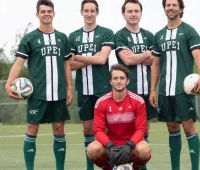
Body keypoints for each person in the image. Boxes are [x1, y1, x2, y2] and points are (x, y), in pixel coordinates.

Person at [5, 0, 73, 170]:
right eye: (43, 12)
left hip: (59, 93)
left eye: (49, 11)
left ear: (54, 14)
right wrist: (8, 84)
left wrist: (70, 88)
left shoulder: (62, 38)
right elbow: (19, 63)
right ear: (37, 14)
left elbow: (66, 64)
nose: (46, 14)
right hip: (37, 94)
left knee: (59, 129)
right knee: (32, 130)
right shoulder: (30, 38)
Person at [149, 0, 200, 170]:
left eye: (174, 5)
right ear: (164, 9)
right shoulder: (158, 35)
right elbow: (156, 64)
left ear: (181, 9)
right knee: (172, 127)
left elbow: (198, 56)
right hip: (165, 90)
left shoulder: (189, 31)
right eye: (168, 5)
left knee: (188, 128)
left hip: (183, 90)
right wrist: (153, 88)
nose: (171, 8)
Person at [68, 0, 114, 169]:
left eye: (92, 10)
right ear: (81, 12)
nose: (89, 14)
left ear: (97, 12)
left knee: (107, 131)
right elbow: (69, 65)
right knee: (88, 131)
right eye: (86, 10)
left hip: (103, 90)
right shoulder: (73, 36)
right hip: (83, 90)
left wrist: (79, 57)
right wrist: (91, 58)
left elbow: (102, 59)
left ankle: (111, 165)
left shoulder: (107, 33)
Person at [114, 1, 158, 169]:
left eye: (136, 11)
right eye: (129, 11)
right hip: (127, 94)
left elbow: (154, 61)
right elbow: (127, 60)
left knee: (144, 132)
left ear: (141, 13)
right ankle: (122, 165)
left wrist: (137, 56)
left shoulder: (149, 36)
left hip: (146, 92)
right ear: (123, 14)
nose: (133, 14)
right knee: (126, 132)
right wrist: (147, 53)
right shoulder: (119, 36)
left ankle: (140, 167)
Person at [87, 64, 151, 170]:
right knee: (92, 149)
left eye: (122, 78)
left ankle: (135, 168)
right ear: (111, 81)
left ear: (128, 81)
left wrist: (129, 145)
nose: (119, 81)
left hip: (131, 144)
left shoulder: (138, 101)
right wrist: (109, 146)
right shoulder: (101, 102)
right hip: (110, 144)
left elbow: (141, 129)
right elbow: (98, 130)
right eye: (115, 78)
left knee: (145, 150)